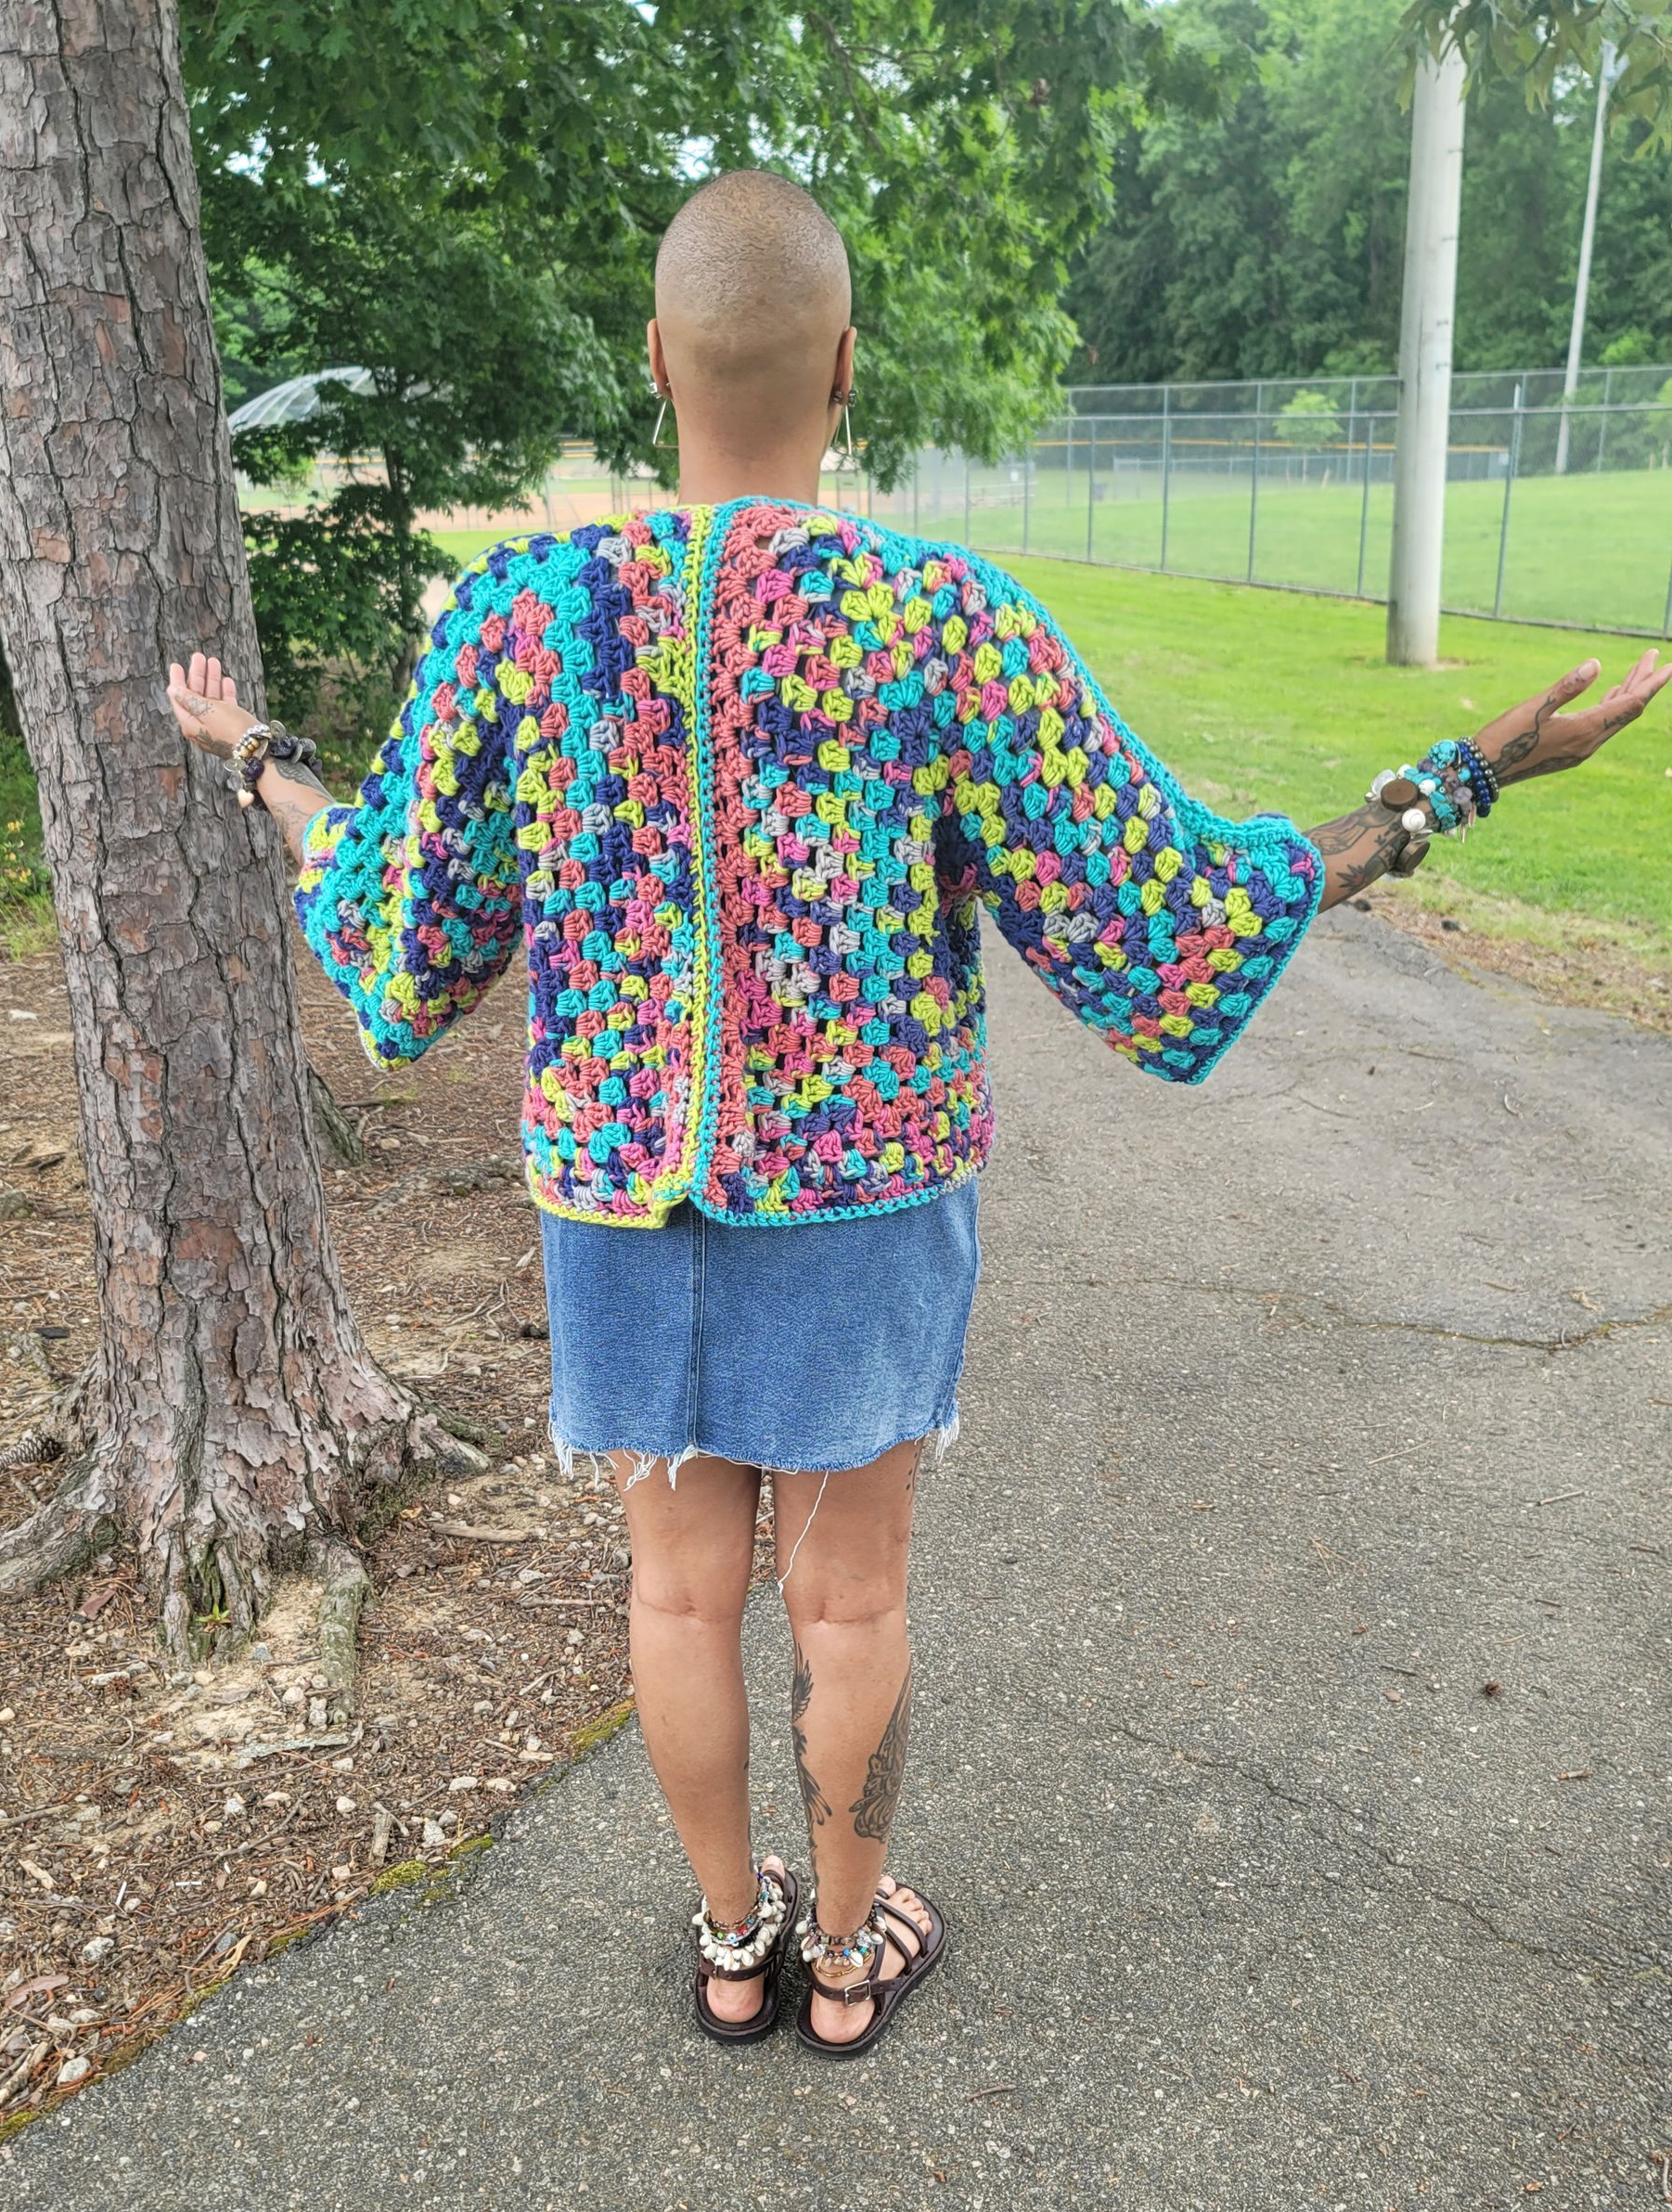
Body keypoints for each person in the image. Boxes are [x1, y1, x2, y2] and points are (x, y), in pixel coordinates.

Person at [167, 170, 1667, 2059]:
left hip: (618, 1202)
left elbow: (400, 926)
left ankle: (732, 1943)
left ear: (656, 361)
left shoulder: (523, 620)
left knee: (676, 1595)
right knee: (850, 1604)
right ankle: (847, 1959)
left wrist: (263, 763)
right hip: (863, 1202)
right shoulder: (937, 621)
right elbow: (1169, 916)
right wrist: (1452, 783)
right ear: (847, 367)